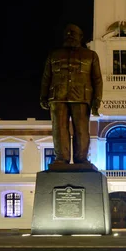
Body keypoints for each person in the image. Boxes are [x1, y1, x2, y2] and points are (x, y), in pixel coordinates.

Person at [40, 24, 103, 166]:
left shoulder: (91, 55)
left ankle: (81, 158)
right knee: (59, 129)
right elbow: (46, 77)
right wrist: (43, 96)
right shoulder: (54, 55)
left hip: (81, 97)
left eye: (74, 34)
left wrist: (97, 99)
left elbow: (97, 79)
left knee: (81, 129)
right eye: (68, 34)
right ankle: (61, 158)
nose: (70, 36)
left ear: (81, 37)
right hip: (57, 97)